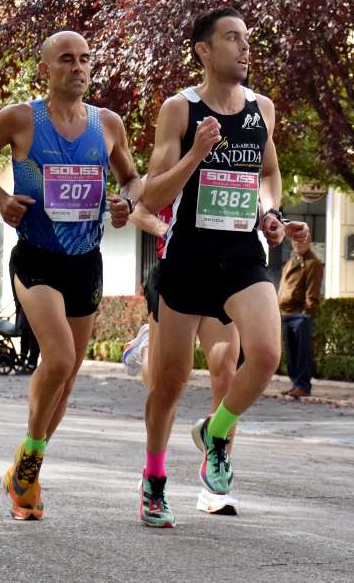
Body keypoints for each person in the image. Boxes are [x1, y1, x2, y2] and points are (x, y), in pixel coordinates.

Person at [0, 29, 141, 521]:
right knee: (57, 359)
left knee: (69, 374)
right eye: (66, 59)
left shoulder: (108, 124)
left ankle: (26, 474)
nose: (78, 67)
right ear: (45, 68)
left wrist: (127, 200)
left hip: (86, 260)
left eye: (85, 59)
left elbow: (131, 176)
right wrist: (0, 199)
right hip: (36, 256)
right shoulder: (20, 119)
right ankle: (33, 454)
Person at [139, 7, 307, 528]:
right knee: (168, 385)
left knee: (265, 354)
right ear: (204, 50)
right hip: (187, 256)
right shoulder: (179, 109)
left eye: (247, 38)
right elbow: (151, 192)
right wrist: (195, 155)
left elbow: (269, 173)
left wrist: (271, 213)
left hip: (240, 254)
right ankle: (154, 479)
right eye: (232, 38)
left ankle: (216, 433)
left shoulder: (262, 109)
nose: (244, 46)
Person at [122, 197, 243, 520]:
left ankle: (215, 486)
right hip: (176, 272)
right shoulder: (178, 152)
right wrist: (166, 229)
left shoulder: (231, 159)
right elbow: (138, 207)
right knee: (168, 382)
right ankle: (148, 347)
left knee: (227, 373)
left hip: (222, 271)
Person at [279, 224, 323, 399]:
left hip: (299, 315)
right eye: (295, 240)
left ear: (309, 241)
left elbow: (312, 293)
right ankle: (296, 384)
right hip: (286, 313)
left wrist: (306, 312)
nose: (298, 243)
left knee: (302, 353)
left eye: (302, 239)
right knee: (292, 353)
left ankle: (303, 385)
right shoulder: (291, 261)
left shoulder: (312, 264)